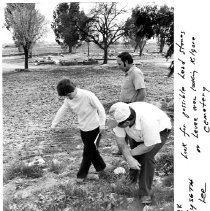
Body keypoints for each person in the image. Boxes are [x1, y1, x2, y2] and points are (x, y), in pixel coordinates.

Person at [109, 102, 172, 204]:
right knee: (133, 156)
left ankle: (145, 193)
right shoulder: (119, 117)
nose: (118, 126)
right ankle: (131, 181)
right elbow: (121, 142)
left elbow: (148, 146)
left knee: (146, 157)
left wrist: (130, 154)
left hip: (159, 129)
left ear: (127, 123)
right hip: (137, 132)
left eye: (120, 125)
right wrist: (129, 157)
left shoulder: (148, 122)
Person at [51, 78, 107, 182]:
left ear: (74, 89)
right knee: (92, 151)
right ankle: (102, 169)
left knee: (87, 152)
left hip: (94, 127)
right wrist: (54, 124)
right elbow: (62, 110)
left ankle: (81, 175)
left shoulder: (88, 95)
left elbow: (101, 109)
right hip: (83, 128)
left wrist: (102, 124)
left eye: (68, 95)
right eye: (66, 96)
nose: (68, 97)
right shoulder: (68, 100)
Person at [114, 52, 147, 158]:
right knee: (123, 129)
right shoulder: (129, 73)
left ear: (126, 62)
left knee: (132, 131)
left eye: (119, 64)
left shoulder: (136, 73)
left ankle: (134, 153)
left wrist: (134, 108)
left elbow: (142, 92)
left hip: (132, 106)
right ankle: (123, 150)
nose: (118, 66)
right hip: (125, 106)